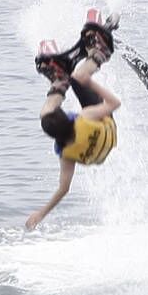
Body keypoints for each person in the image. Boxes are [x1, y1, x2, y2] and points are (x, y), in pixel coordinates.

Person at [26, 16, 121, 230]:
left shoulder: (66, 152)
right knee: (79, 77)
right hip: (105, 123)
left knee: (72, 83)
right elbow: (114, 104)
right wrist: (89, 83)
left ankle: (64, 78)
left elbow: (63, 189)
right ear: (67, 116)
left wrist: (41, 213)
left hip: (100, 140)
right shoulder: (85, 118)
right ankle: (97, 54)